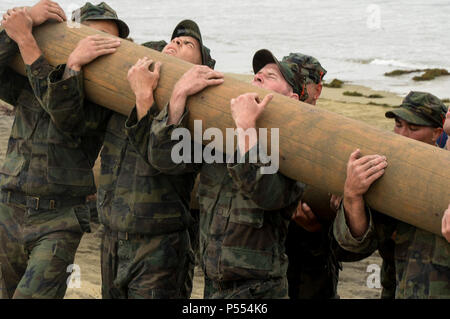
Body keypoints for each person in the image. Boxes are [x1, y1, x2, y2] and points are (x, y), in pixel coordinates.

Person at [148, 49, 307, 298]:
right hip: (212, 286)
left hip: (259, 290)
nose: (259, 77)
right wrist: (178, 95)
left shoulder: (296, 150)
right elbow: (165, 160)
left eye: (271, 75)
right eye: (257, 74)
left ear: (292, 98)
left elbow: (266, 193)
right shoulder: (220, 133)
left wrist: (246, 128)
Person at [0, 0, 128, 298]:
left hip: (58, 219)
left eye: (107, 40)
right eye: (89, 34)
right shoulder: (33, 75)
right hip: (9, 207)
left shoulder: (107, 97)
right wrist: (25, 23)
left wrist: (32, 43)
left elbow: (65, 115)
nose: (96, 44)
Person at [97, 19, 219, 299]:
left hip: (160, 249)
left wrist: (163, 98)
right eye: (174, 39)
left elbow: (164, 158)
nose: (176, 42)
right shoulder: (125, 89)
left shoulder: (206, 117)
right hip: (111, 240)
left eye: (188, 44)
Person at [333, 91, 450, 298]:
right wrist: (352, 196)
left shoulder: (444, 179)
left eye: (413, 128)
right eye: (398, 125)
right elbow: (356, 247)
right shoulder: (387, 176)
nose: (402, 135)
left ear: (436, 133)